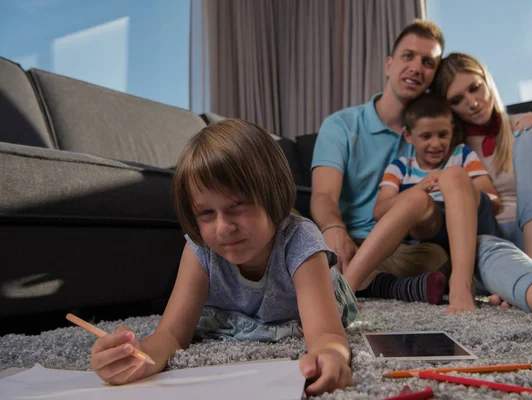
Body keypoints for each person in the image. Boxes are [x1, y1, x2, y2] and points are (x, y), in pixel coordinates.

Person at [90, 119, 358, 396]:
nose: (223, 228)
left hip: (314, 291)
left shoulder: (301, 241)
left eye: (237, 205)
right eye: (206, 213)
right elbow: (171, 335)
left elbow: (326, 334)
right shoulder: (199, 250)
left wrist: (332, 355)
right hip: (236, 309)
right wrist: (139, 355)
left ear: (273, 195)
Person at [429, 52, 532, 336]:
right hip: (493, 249)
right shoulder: (449, 145)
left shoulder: (525, 123)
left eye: (474, 88)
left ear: (487, 80)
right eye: (456, 100)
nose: (472, 103)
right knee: (478, 242)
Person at [311, 19, 448, 304]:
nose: (416, 68)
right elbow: (323, 195)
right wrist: (334, 229)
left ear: (434, 76)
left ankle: (360, 282)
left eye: (428, 62)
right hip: (340, 241)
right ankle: (384, 285)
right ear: (389, 65)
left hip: (397, 250)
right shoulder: (341, 125)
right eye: (407, 56)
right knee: (282, 223)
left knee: (438, 256)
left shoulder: (436, 134)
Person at [342, 93, 501, 313]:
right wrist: (418, 188)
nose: (436, 144)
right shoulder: (400, 167)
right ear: (408, 136)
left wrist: (458, 187)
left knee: (453, 175)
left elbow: (494, 202)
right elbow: (379, 211)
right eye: (426, 136)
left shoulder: (462, 154)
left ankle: (462, 285)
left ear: (452, 131)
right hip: (431, 229)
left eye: (442, 134)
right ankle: (345, 288)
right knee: (416, 198)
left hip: (469, 221)